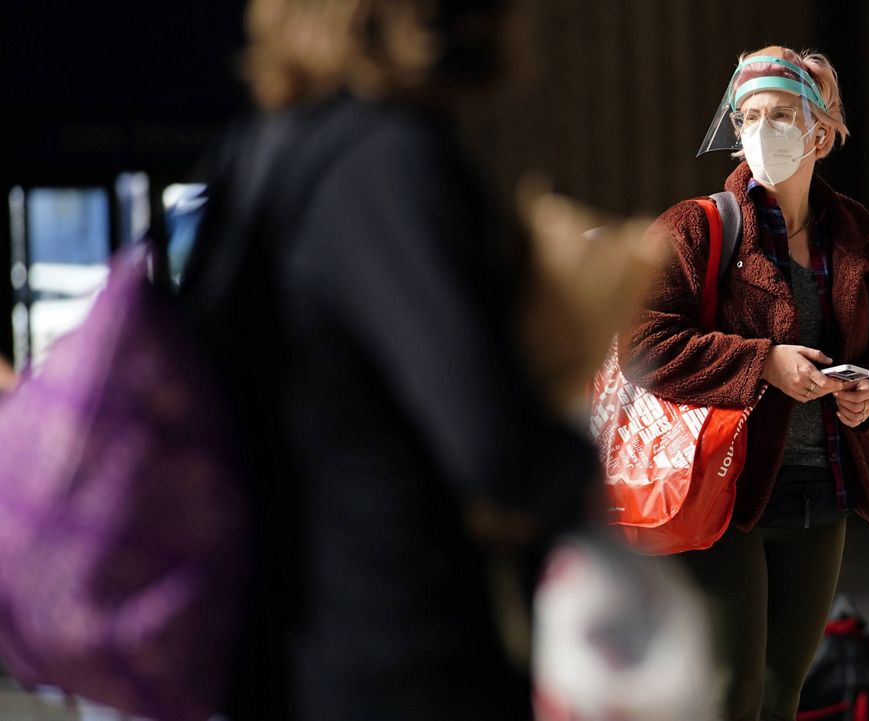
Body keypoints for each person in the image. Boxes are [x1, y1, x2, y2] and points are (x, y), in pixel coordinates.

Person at [178, 0, 629, 718]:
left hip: (285, 650)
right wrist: (591, 474)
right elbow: (492, 449)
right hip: (400, 657)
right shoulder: (386, 164)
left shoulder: (259, 153)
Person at [619, 46, 869, 720]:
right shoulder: (697, 227)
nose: (762, 130)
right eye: (749, 115)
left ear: (819, 131)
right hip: (726, 488)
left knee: (785, 689)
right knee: (732, 692)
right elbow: (643, 340)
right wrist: (765, 363)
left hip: (826, 487)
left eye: (781, 115)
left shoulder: (856, 234)